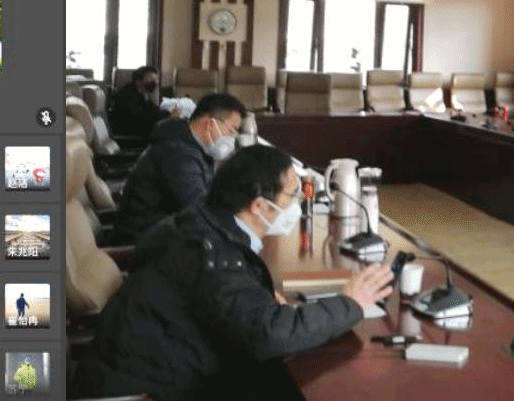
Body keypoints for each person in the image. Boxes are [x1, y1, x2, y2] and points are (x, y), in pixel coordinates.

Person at [76, 145, 395, 400]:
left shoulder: (199, 221)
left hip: (150, 363)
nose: (297, 204)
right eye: (291, 195)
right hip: (147, 389)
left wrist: (257, 297)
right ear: (258, 205)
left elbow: (224, 300)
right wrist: (350, 303)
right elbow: (269, 335)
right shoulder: (210, 253)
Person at [112, 93, 248, 245]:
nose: (232, 139)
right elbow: (200, 211)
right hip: (144, 244)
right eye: (231, 131)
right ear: (210, 125)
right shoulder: (177, 154)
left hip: (164, 236)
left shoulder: (189, 145)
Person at [109, 65, 174, 138]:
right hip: (131, 135)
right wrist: (167, 114)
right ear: (138, 81)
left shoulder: (143, 93)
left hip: (142, 131)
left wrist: (155, 101)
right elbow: (141, 119)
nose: (155, 82)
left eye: (156, 79)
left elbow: (152, 111)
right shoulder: (127, 94)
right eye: (151, 79)